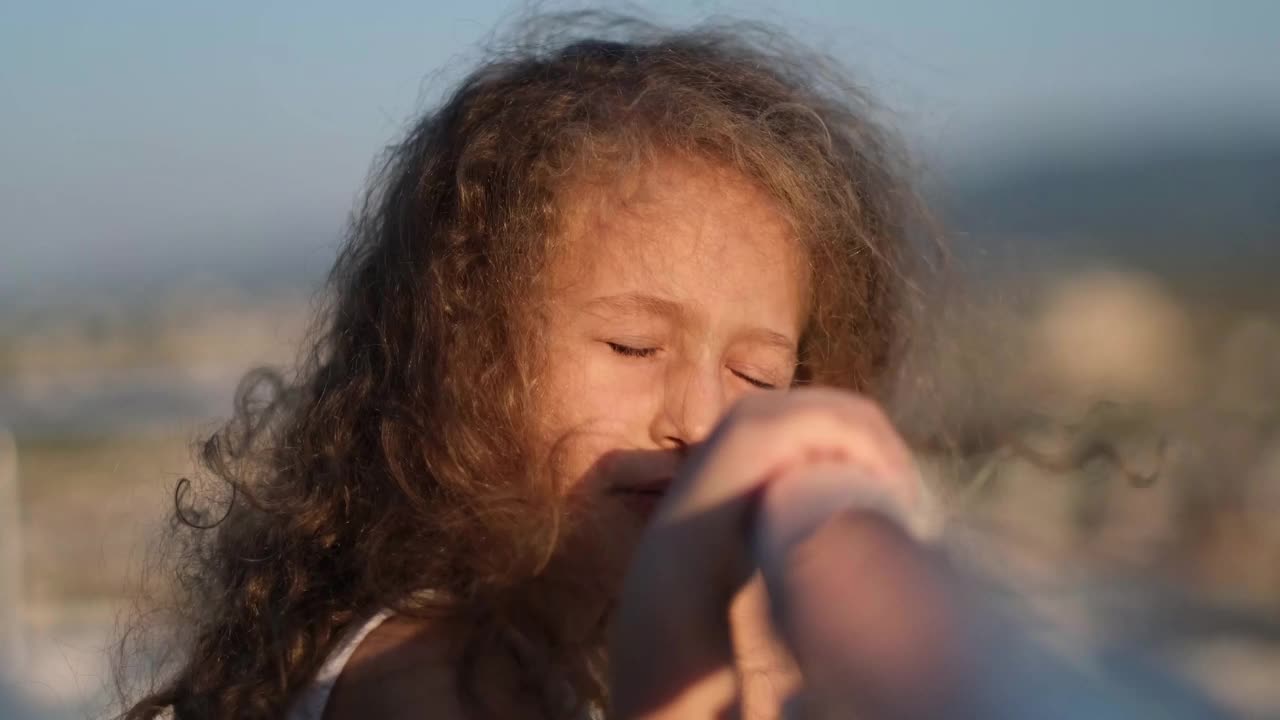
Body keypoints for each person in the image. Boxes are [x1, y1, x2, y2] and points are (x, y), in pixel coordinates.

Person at [120, 13, 944, 720]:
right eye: (633, 347)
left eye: (757, 375)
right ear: (466, 353)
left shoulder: (548, 646)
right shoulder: (426, 681)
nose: (696, 417)